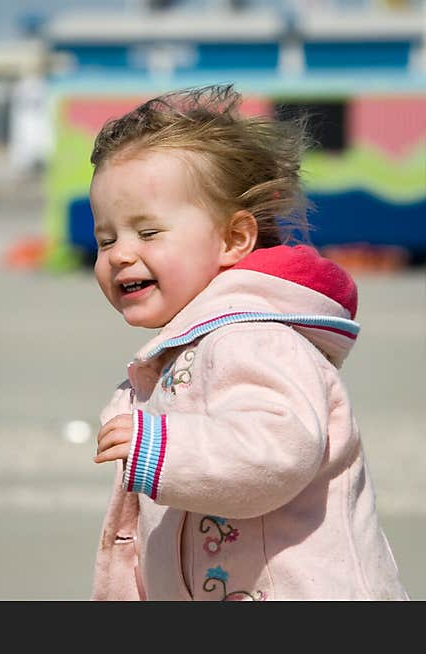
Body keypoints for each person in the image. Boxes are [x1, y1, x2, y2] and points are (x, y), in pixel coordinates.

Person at [88, 84, 407, 600]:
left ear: (234, 240)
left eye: (148, 233)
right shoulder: (194, 343)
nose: (121, 254)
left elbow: (278, 452)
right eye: (107, 239)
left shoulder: (253, 336)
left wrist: (162, 448)